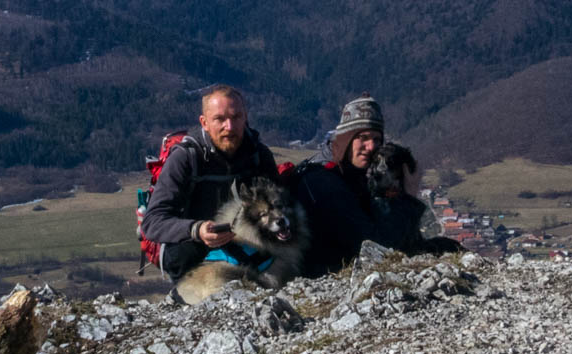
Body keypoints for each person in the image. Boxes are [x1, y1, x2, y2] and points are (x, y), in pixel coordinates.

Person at [140, 85, 280, 280]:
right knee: (183, 254)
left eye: (236, 117)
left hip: (243, 237)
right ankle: (189, 297)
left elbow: (280, 202)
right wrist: (197, 230)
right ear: (204, 123)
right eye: (220, 119)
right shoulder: (186, 158)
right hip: (195, 243)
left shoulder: (258, 155)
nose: (229, 127)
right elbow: (152, 222)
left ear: (245, 117)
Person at [288, 94, 390, 276]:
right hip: (319, 277)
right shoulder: (322, 181)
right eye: (363, 137)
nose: (371, 146)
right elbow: (372, 243)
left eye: (376, 139)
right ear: (346, 139)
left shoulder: (350, 173)